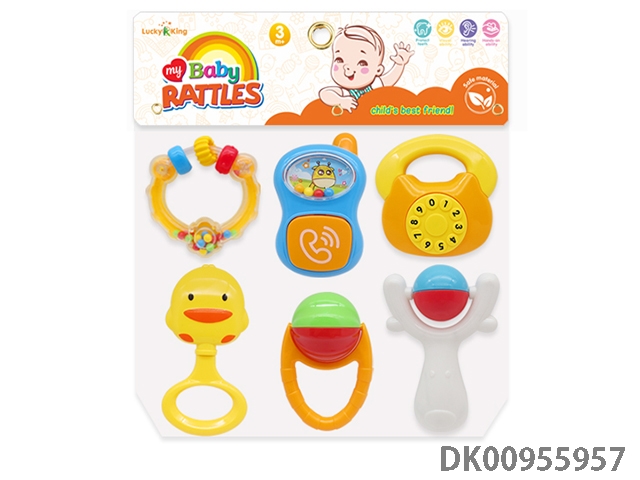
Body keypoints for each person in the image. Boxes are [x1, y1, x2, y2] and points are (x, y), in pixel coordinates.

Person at [319, 25, 414, 112]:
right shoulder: (345, 93)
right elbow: (324, 93)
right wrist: (341, 101)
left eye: (361, 63)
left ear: (378, 70)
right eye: (339, 60)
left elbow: (390, 78)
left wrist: (400, 64)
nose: (347, 67)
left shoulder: (375, 86)